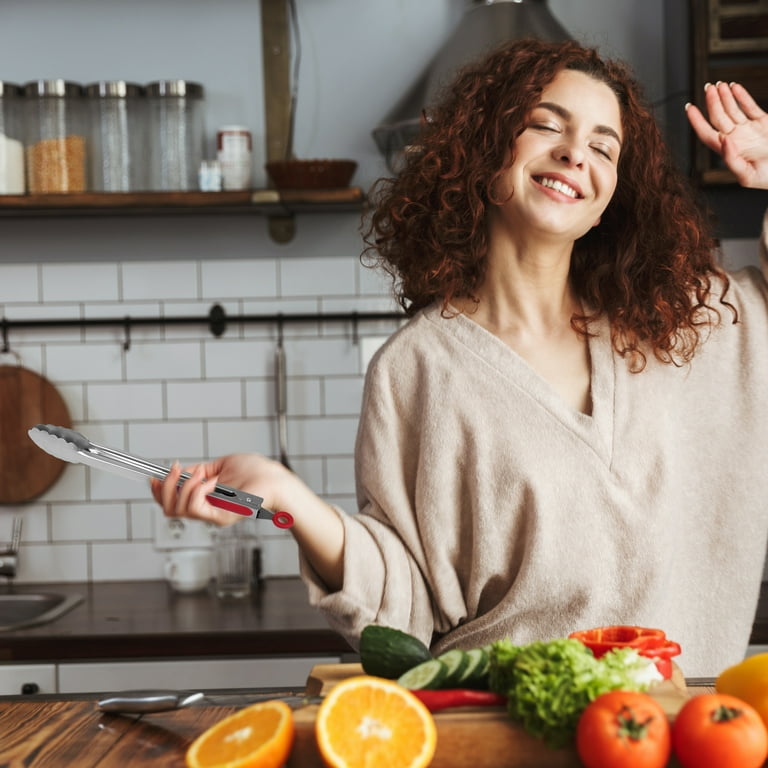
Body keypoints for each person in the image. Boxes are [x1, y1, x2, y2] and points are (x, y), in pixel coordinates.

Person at [152, 39, 768, 677]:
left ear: (617, 189)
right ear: (484, 147)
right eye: (544, 125)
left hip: (679, 735)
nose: (574, 153)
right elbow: (407, 606)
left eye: (603, 147)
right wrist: (290, 499)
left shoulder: (686, 325)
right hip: (503, 728)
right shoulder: (415, 369)